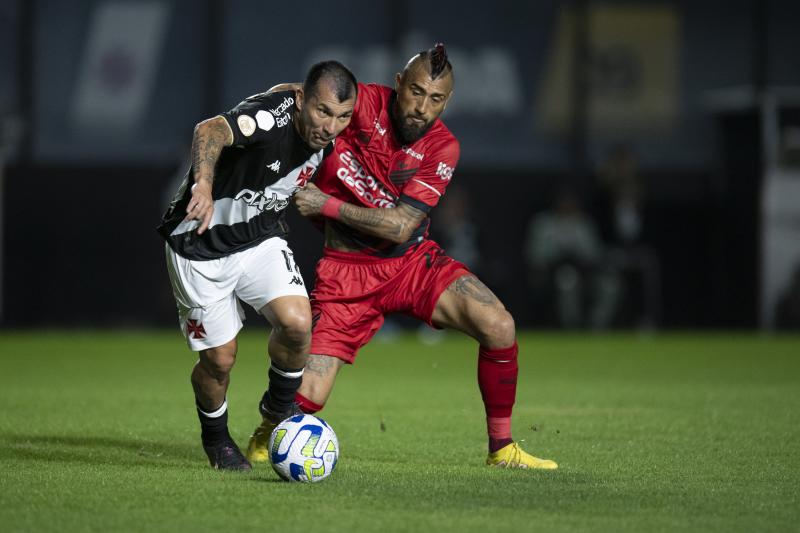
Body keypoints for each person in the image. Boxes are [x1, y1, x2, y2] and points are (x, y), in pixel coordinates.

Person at [247, 44, 557, 470]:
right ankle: (269, 427)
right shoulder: (362, 104)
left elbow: (400, 226)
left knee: (499, 324)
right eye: (416, 92)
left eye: (435, 99)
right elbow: (304, 98)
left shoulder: (442, 147)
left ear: (447, 101)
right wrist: (257, 115)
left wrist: (326, 205)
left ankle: (501, 449)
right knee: (307, 397)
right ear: (398, 84)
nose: (421, 107)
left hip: (411, 264)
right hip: (347, 273)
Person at [157, 61, 357, 470]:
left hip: (259, 238)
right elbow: (209, 129)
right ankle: (216, 440)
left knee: (299, 322)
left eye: (342, 117)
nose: (330, 127)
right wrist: (204, 184)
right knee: (220, 360)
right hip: (200, 242)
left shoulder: (331, 127)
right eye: (322, 112)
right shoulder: (270, 117)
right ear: (301, 100)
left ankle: (278, 414)